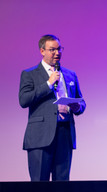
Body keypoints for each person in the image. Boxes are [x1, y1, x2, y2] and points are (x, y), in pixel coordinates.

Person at [19, 34, 86, 181]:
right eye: (52, 50)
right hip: (40, 136)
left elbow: (82, 103)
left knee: (62, 182)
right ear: (42, 51)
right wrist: (48, 84)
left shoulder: (70, 74)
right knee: (39, 182)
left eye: (59, 49)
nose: (57, 53)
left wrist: (77, 107)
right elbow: (24, 100)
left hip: (65, 133)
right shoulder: (30, 74)